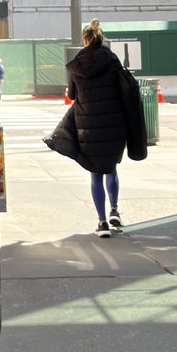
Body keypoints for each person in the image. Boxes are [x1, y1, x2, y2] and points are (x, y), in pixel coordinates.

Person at [66, 18, 128, 239]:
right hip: (113, 123)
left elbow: (72, 95)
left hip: (88, 126)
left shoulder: (78, 64)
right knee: (111, 169)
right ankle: (115, 210)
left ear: (85, 40)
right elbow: (124, 86)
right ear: (101, 39)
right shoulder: (112, 60)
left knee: (95, 174)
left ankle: (102, 223)